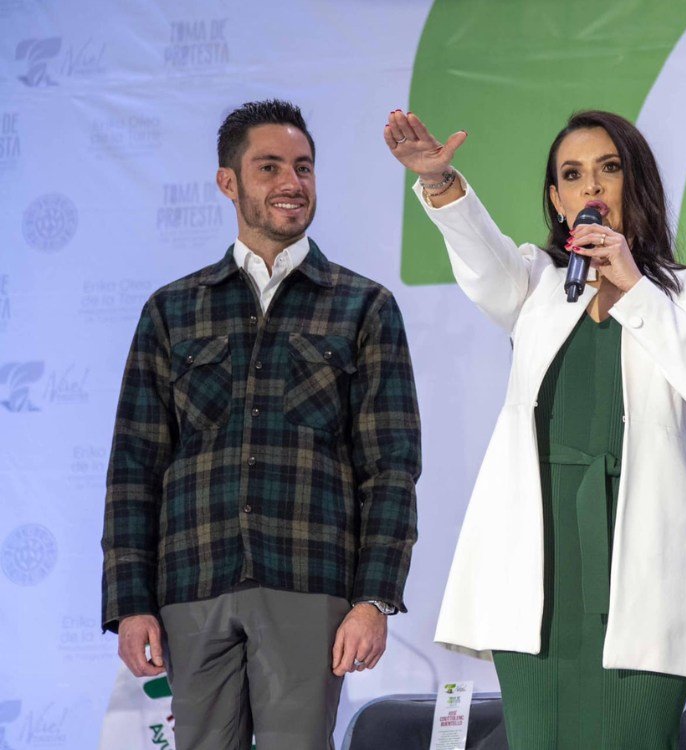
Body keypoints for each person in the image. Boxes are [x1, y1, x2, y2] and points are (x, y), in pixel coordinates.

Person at [385, 108, 686, 749]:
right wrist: (441, 186)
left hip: (641, 572)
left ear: (637, 182)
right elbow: (483, 262)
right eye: (572, 175)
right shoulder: (537, 284)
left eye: (608, 169)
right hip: (539, 570)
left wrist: (632, 284)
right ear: (557, 200)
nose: (592, 188)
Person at [102, 99, 421, 750]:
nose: (291, 184)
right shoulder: (172, 311)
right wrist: (131, 600)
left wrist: (375, 599)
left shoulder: (363, 306)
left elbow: (391, 468)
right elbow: (134, 466)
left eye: (303, 168)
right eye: (269, 166)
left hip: (310, 583)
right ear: (229, 182)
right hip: (192, 587)